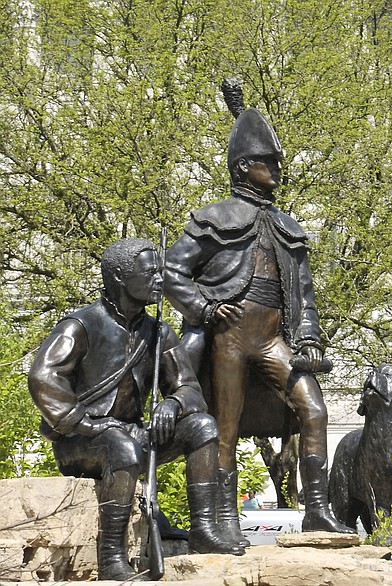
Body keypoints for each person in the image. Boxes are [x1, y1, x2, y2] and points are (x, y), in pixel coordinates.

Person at [164, 106, 352, 542]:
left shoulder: (288, 228)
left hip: (272, 340)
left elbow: (304, 295)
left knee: (315, 410)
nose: (279, 171)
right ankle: (224, 519)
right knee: (225, 427)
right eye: (271, 163)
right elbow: (172, 272)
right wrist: (205, 309)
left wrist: (308, 340)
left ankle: (317, 511)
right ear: (245, 167)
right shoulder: (212, 217)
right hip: (228, 338)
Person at [28, 238, 244, 582]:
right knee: (122, 446)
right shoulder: (81, 324)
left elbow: (189, 388)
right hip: (81, 442)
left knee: (202, 426)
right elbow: (44, 375)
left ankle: (203, 528)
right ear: (119, 277)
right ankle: (112, 559)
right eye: (151, 273)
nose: (160, 279)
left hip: (132, 435)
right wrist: (83, 423)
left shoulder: (158, 331)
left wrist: (173, 404)